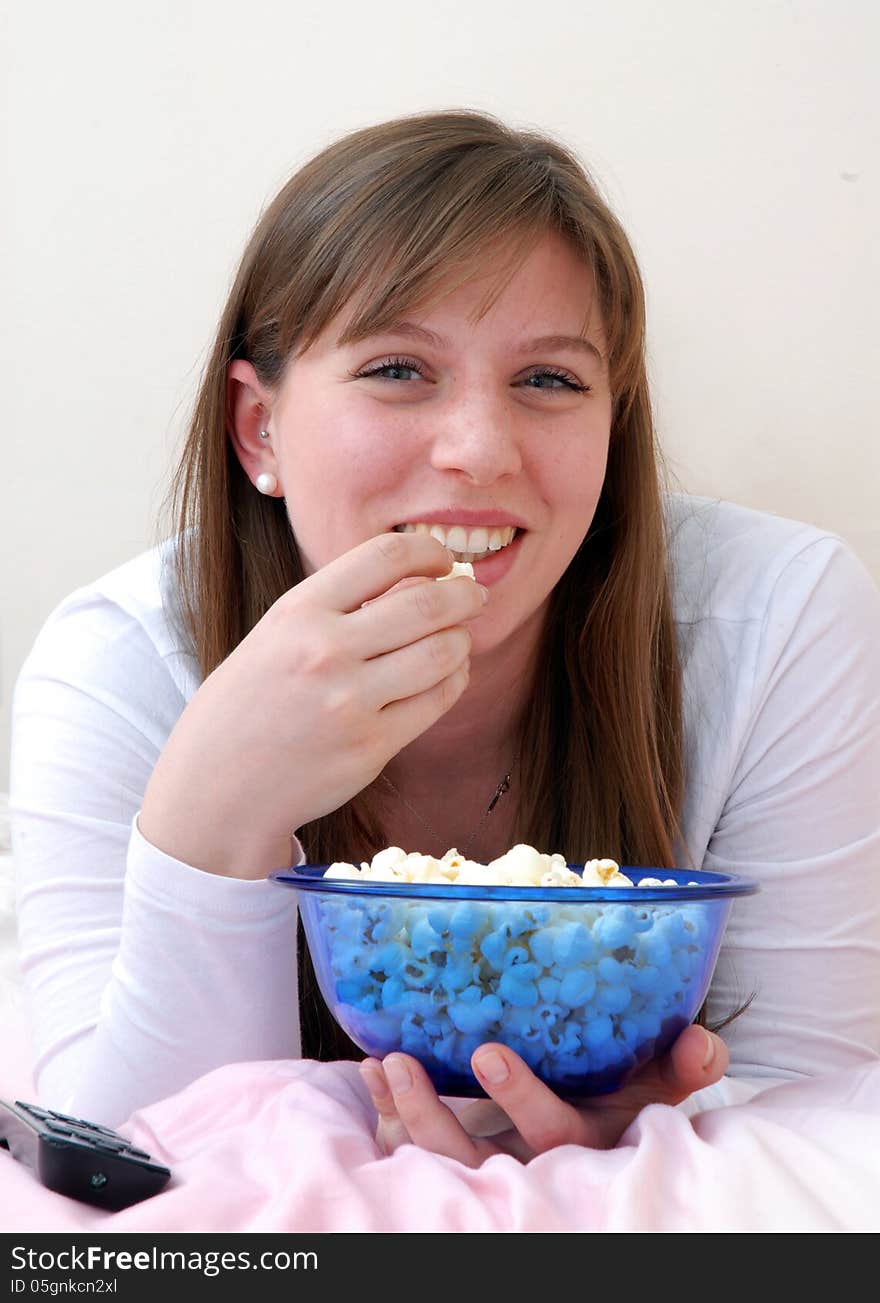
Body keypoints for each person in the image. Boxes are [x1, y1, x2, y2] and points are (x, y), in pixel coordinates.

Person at [10, 110, 880, 1162]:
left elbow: (823, 1129)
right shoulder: (121, 663)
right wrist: (213, 817)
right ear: (261, 429)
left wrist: (627, 1151)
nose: (478, 450)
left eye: (549, 380)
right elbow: (119, 1171)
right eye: (396, 370)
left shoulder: (774, 617)